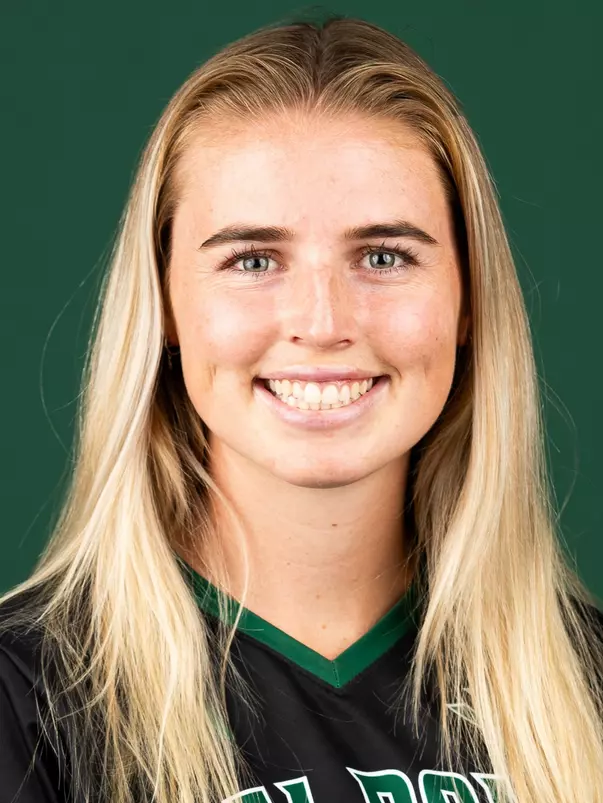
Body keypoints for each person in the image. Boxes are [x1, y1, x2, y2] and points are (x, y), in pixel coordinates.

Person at [1, 12, 602, 803]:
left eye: (383, 256)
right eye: (252, 259)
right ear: (166, 306)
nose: (322, 323)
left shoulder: (582, 688)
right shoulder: (25, 701)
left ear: (467, 300)